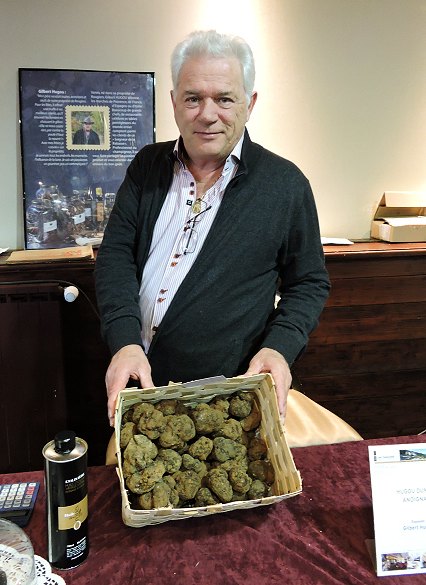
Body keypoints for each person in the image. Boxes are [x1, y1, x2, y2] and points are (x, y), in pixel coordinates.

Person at [94, 30, 331, 427]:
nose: (207, 114)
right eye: (193, 98)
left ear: (250, 104)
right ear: (173, 102)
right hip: (139, 384)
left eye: (224, 99)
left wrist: (279, 348)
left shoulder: (286, 185)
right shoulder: (147, 166)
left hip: (230, 398)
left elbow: (308, 283)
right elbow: (116, 257)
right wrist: (125, 343)